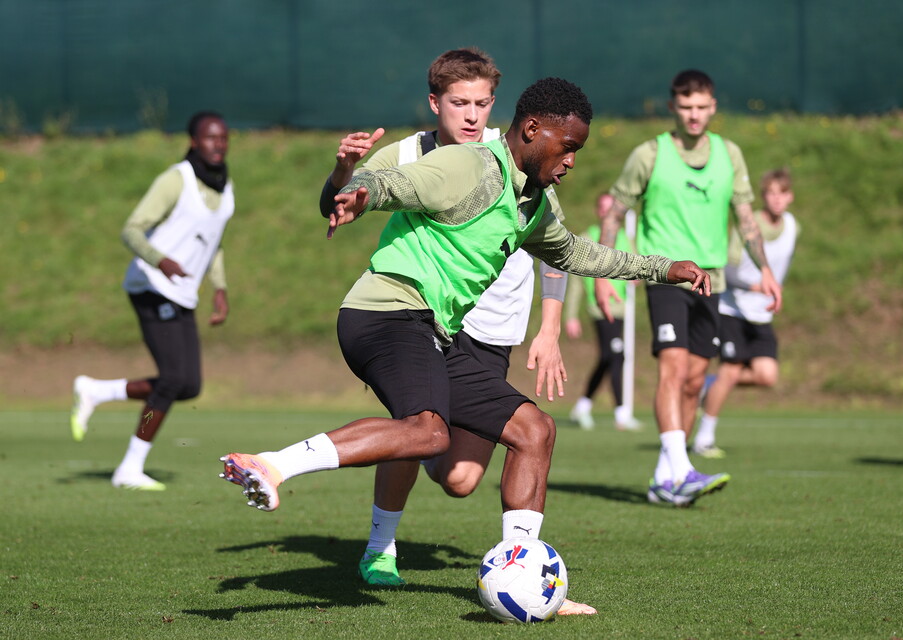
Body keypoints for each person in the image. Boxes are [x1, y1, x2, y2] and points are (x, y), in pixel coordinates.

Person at [220, 78, 710, 607]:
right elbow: (393, 187)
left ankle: (524, 576)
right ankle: (273, 464)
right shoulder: (471, 166)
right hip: (385, 312)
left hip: (430, 330)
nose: (571, 161)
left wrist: (664, 269)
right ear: (532, 129)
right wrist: (357, 191)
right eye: (568, 147)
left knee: (534, 430)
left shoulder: (532, 206)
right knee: (428, 432)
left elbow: (578, 254)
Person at [319, 49, 575, 605]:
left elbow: (557, 246)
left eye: (483, 104)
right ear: (436, 103)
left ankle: (519, 570)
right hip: (423, 316)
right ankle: (380, 546)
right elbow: (346, 195)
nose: (472, 116)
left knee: (458, 479)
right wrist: (344, 179)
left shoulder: (518, 155)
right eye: (460, 103)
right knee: (417, 424)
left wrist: (549, 326)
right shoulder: (409, 154)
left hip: (493, 328)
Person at [594, 69, 782, 507]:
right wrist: (604, 275)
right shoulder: (649, 154)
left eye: (701, 107)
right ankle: (682, 471)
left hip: (710, 280)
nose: (694, 116)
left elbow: (746, 217)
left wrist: (766, 269)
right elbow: (614, 213)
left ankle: (665, 480)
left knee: (695, 381)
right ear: (673, 108)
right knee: (673, 368)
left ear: (713, 107)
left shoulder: (728, 154)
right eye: (686, 107)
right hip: (666, 275)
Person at [70, 111, 234, 490]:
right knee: (173, 379)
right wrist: (160, 259)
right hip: (150, 286)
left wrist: (220, 288)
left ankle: (97, 391)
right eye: (210, 138)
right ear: (194, 141)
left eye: (224, 138)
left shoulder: (225, 187)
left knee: (189, 386)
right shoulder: (177, 179)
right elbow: (131, 229)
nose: (218, 144)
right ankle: (130, 467)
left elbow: (214, 240)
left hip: (183, 293)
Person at [693, 168, 799, 457]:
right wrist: (755, 285)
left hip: (761, 314)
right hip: (733, 309)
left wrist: (775, 289)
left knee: (767, 375)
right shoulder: (747, 226)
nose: (776, 199)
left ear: (789, 197)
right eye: (770, 193)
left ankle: (707, 385)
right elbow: (728, 268)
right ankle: (704, 437)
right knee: (731, 369)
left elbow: (782, 265)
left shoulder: (791, 226)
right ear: (763, 197)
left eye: (782, 193)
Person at [565, 193, 642, 431]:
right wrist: (571, 316)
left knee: (609, 357)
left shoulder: (625, 238)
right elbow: (576, 282)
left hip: (622, 309)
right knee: (616, 356)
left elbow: (635, 267)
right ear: (598, 210)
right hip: (600, 308)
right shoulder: (588, 238)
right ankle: (621, 413)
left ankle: (583, 406)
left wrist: (636, 277)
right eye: (603, 207)